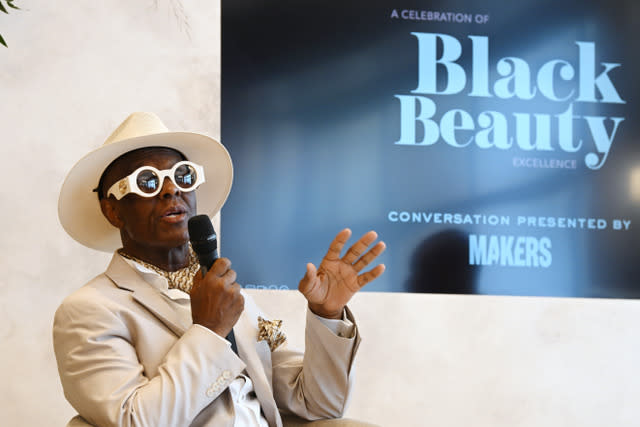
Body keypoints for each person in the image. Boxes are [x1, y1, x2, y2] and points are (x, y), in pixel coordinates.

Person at [53, 112, 386, 427]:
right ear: (113, 211)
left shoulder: (222, 291)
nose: (171, 189)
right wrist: (210, 330)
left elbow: (320, 404)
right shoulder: (90, 310)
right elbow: (135, 420)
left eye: (182, 175)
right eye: (147, 181)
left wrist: (326, 313)